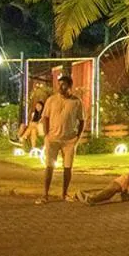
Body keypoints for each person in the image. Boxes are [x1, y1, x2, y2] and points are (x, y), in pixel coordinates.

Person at [37, 75, 85, 204]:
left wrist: (77, 137)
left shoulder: (76, 102)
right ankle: (45, 195)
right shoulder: (51, 100)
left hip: (69, 140)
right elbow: (45, 117)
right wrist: (46, 135)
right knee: (49, 166)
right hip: (52, 139)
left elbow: (82, 120)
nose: (60, 87)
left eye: (63, 85)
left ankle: (64, 193)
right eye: (59, 84)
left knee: (67, 167)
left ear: (69, 86)